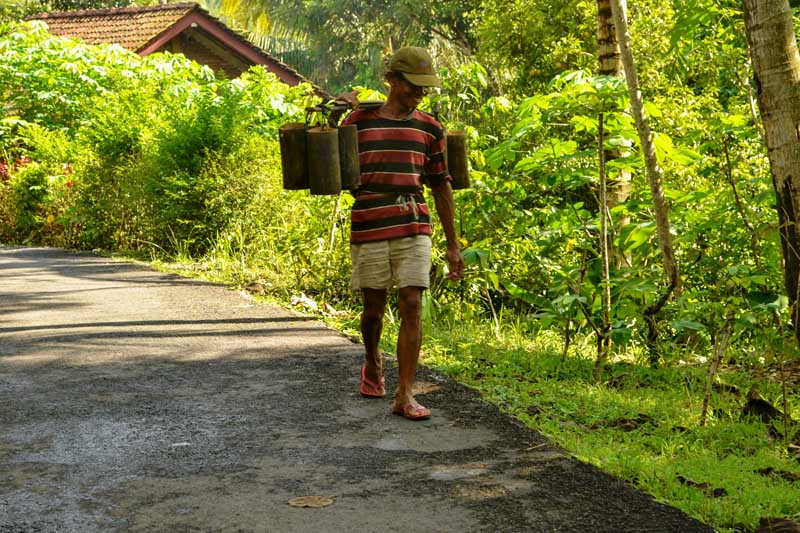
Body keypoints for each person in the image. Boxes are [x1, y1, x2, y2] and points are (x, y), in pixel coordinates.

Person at [334, 46, 465, 421]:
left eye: (424, 88)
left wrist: (453, 245)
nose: (419, 94)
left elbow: (441, 185)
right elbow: (325, 158)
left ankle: (405, 393)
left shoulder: (430, 127)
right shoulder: (358, 121)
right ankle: (373, 361)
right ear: (392, 80)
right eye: (413, 86)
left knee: (411, 302)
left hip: (413, 221)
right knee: (372, 309)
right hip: (370, 220)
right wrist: (335, 113)